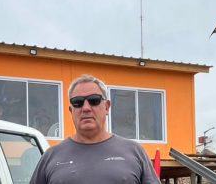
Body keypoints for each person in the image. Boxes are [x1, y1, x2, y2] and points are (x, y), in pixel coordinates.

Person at [30, 74, 160, 184]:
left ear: (107, 107)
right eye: (78, 102)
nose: (86, 108)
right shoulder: (51, 157)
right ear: (71, 110)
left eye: (94, 100)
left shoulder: (134, 152)